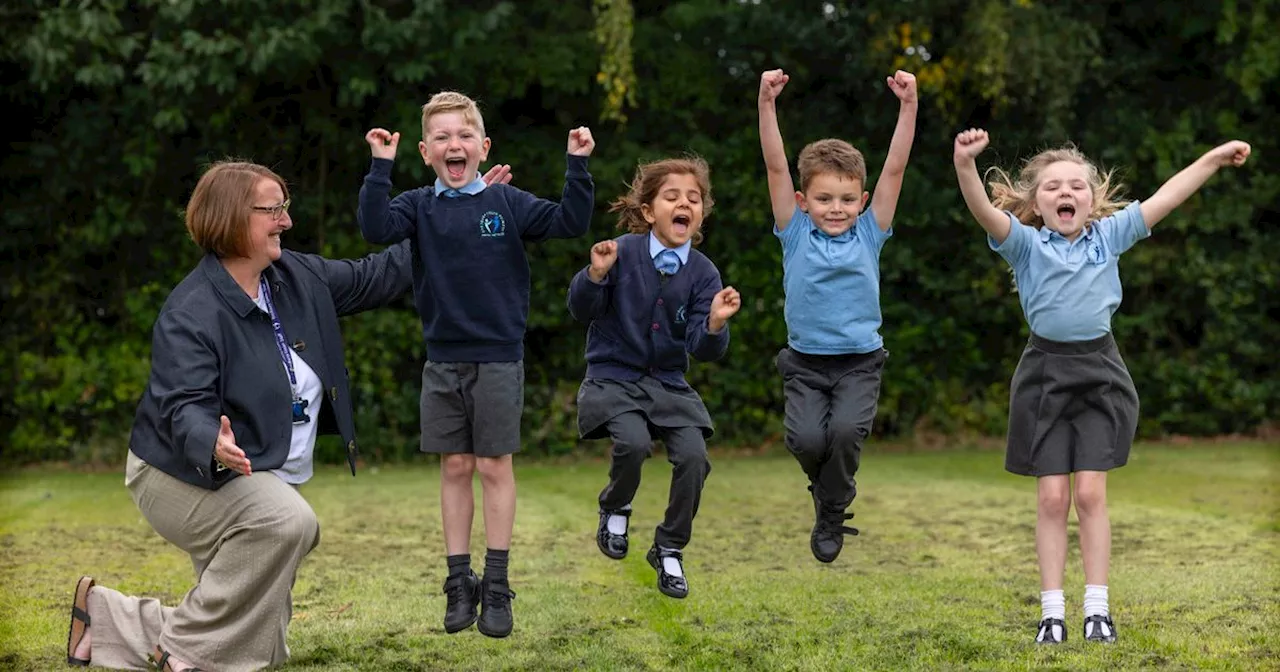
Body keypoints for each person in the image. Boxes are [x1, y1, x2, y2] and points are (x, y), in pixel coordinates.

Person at [64, 158, 507, 670]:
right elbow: (182, 403)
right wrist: (211, 438)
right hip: (179, 474)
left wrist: (454, 216)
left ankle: (103, 620)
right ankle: (181, 651)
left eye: (285, 207)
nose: (286, 221)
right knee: (288, 522)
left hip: (251, 470)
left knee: (262, 647)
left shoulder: (296, 277)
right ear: (232, 218)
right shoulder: (191, 310)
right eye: (272, 209)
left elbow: (379, 275)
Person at [953, 128, 1251, 644]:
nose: (1065, 193)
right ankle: (1052, 613)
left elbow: (1168, 196)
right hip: (1044, 374)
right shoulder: (1024, 245)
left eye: (1076, 185)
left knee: (1089, 494)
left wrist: (1213, 159)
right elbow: (982, 210)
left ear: (1091, 199)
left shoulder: (1109, 236)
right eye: (1052, 187)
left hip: (1099, 373)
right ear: (1034, 202)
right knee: (1051, 499)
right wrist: (964, 165)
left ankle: (1097, 609)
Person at [356, 91, 594, 637]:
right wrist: (379, 167)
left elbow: (569, 222)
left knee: (493, 467)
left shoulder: (505, 204)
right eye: (441, 137)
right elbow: (374, 227)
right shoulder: (418, 206)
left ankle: (498, 583)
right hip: (443, 361)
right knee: (456, 468)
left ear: (483, 147)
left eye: (463, 136)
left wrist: (577, 165)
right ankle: (458, 583)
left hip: (498, 358)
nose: (453, 144)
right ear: (424, 150)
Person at [756, 67, 918, 563]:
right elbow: (777, 168)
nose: (836, 208)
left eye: (848, 199)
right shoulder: (795, 231)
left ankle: (832, 507)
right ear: (803, 202)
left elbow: (893, 169)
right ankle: (828, 495)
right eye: (824, 199)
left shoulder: (870, 232)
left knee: (846, 433)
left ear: (863, 201)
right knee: (804, 439)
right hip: (805, 362)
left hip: (859, 362)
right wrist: (766, 104)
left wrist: (908, 107)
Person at [568, 156, 741, 599]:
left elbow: (703, 348)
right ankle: (616, 507)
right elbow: (580, 310)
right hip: (614, 379)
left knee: (694, 458)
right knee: (633, 443)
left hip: (667, 385)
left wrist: (717, 324)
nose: (685, 203)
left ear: (701, 212)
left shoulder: (704, 273)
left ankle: (669, 547)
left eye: (694, 198)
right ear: (648, 211)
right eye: (672, 196)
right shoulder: (620, 252)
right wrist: (594, 275)